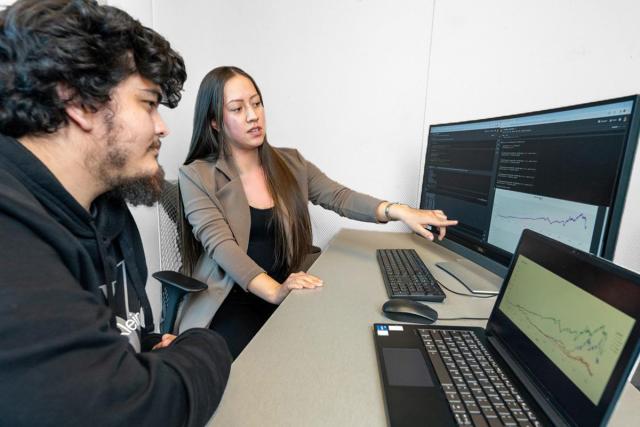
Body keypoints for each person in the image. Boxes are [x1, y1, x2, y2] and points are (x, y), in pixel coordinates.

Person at [0, 1, 231, 426]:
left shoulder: (109, 209)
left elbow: (132, 338)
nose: (162, 128)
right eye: (148, 104)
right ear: (79, 102)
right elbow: (134, 412)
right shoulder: (9, 234)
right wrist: (205, 344)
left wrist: (149, 355)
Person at [177, 66, 458, 358]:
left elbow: (339, 196)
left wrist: (400, 211)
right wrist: (274, 291)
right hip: (232, 299)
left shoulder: (291, 162)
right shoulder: (197, 176)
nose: (252, 115)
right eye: (237, 108)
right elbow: (221, 246)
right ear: (214, 122)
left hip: (290, 290)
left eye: (257, 103)